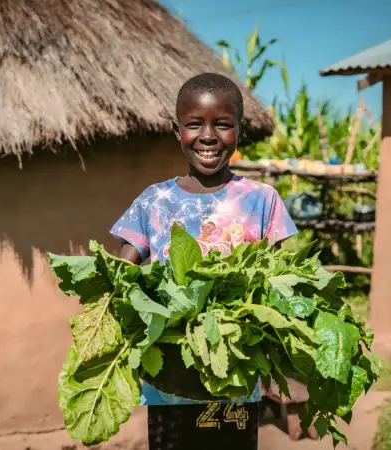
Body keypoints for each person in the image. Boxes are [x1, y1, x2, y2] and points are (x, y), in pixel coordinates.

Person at [110, 72, 298, 450]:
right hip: (169, 384)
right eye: (194, 124)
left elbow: (283, 282)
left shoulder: (261, 200)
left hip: (236, 380)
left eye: (223, 125)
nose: (208, 136)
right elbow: (120, 275)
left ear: (239, 131)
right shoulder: (155, 201)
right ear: (176, 129)